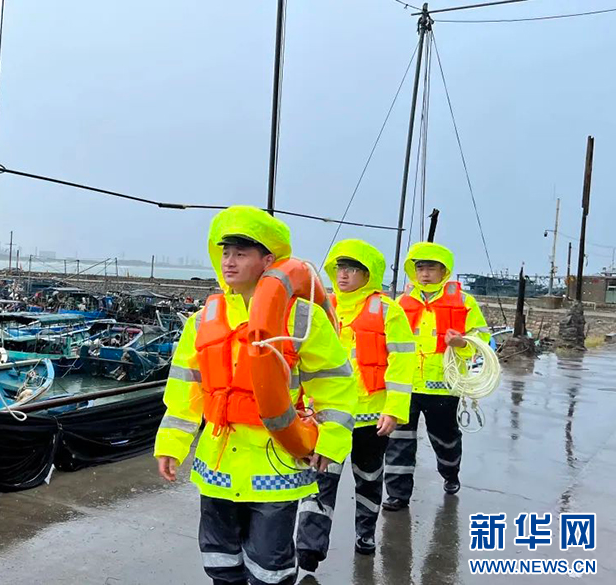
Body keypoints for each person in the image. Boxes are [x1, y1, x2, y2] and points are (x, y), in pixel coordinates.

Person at [154, 206, 357, 585]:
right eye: (225, 253)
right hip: (217, 465)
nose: (229, 262)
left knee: (270, 566)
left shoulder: (302, 318)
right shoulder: (202, 320)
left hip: (274, 463)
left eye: (241, 253)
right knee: (219, 559)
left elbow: (336, 386)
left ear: (268, 261)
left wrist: (331, 441)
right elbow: (184, 391)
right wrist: (171, 444)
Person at [296, 239, 415, 568]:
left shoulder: (389, 311)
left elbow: (402, 362)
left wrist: (394, 409)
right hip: (327, 416)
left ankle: (365, 534)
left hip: (371, 418)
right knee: (320, 478)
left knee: (369, 478)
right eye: (339, 268)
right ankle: (309, 547)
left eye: (352, 269)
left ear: (368, 275)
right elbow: (302, 359)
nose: (343, 275)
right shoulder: (321, 310)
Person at [383, 242, 490, 510]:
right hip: (405, 386)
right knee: (398, 442)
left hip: (443, 387)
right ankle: (397, 494)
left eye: (431, 268)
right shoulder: (400, 303)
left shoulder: (464, 302)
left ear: (444, 271)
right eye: (420, 268)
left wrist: (462, 343)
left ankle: (450, 473)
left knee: (445, 440)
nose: (425, 273)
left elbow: (483, 338)